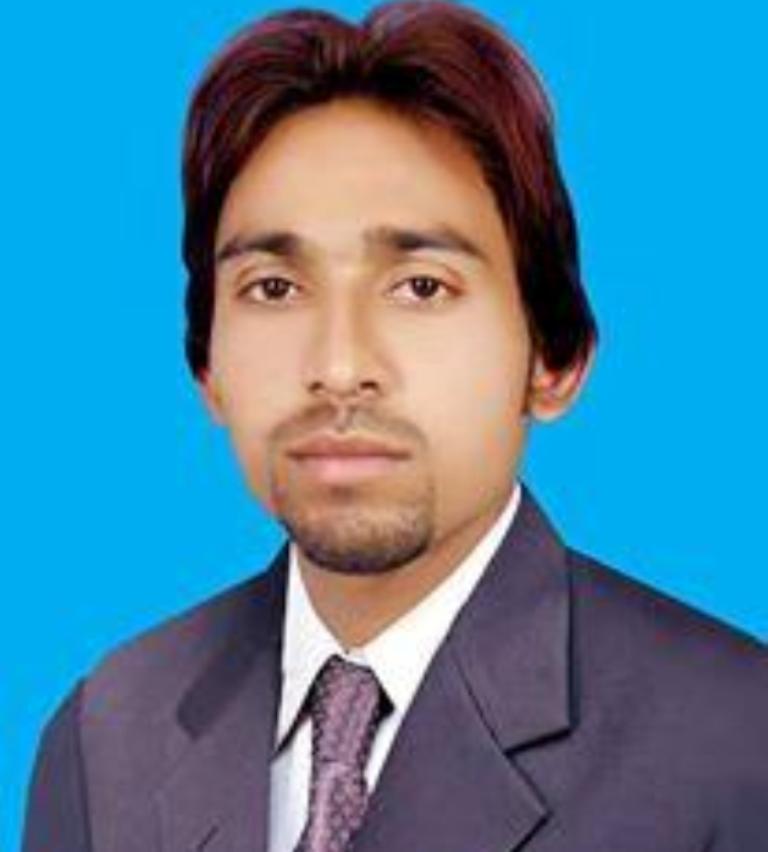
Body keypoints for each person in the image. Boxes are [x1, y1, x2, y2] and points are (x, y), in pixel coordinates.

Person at [22, 2, 768, 850]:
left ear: (553, 359)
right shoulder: (106, 735)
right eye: (274, 288)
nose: (340, 367)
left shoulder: (736, 744)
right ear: (207, 368)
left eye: (420, 287)